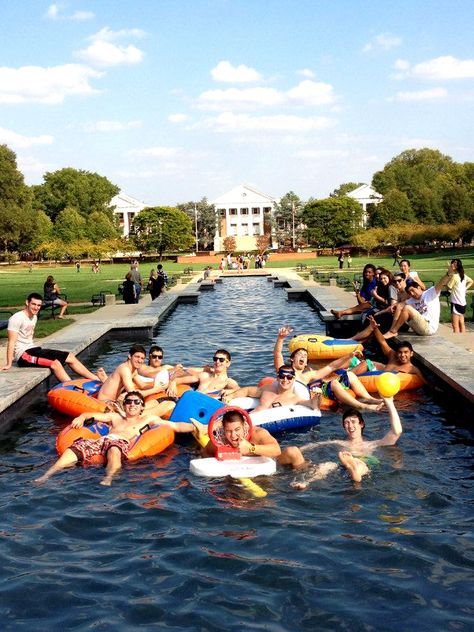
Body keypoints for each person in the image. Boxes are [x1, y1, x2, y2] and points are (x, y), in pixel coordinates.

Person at [34, 391, 195, 486]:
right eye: (129, 402)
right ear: (124, 405)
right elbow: (91, 414)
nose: (132, 404)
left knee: (114, 449)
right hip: (100, 441)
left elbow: (175, 426)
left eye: (136, 402)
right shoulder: (115, 417)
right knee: (74, 448)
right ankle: (47, 475)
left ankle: (109, 478)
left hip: (119, 443)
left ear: (141, 407)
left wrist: (195, 427)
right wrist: (81, 417)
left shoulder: (147, 420)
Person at [292, 396, 402, 487]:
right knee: (326, 465)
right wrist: (300, 449)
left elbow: (396, 432)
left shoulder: (373, 444)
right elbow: (315, 445)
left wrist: (390, 403)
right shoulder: (340, 443)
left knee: (360, 465)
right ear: (344, 427)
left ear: (361, 424)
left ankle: (353, 468)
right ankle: (305, 482)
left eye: (353, 422)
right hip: (342, 463)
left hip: (364, 461)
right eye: (346, 423)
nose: (350, 426)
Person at [273, 326, 383, 411]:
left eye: (305, 356)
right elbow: (278, 354)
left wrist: (349, 356)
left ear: (306, 363)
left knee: (350, 375)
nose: (303, 357)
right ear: (292, 359)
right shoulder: (286, 373)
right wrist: (280, 338)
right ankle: (362, 406)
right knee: (334, 383)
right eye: (300, 354)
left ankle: (370, 399)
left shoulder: (308, 375)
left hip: (318, 389)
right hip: (309, 396)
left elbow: (331, 366)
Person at [0, 293, 104, 383]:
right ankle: (72, 388)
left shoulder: (34, 317)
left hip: (34, 349)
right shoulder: (17, 318)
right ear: (27, 303)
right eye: (34, 304)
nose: (36, 307)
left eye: (39, 305)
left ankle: (97, 380)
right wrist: (9, 364)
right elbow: (11, 342)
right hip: (23, 355)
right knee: (55, 364)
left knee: (70, 357)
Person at [192, 408, 305, 470]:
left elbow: (276, 450)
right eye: (229, 431)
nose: (233, 435)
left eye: (237, 430)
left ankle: (302, 478)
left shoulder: (258, 434)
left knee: (293, 452)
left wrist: (251, 448)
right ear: (223, 429)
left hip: (270, 464)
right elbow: (205, 452)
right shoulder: (220, 440)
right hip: (239, 472)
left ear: (244, 426)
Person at [384, 266, 454, 339]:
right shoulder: (412, 300)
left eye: (413, 290)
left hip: (428, 327)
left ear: (419, 287)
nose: (412, 294)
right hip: (418, 328)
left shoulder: (430, 293)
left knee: (407, 308)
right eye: (409, 293)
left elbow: (441, 283)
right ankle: (392, 331)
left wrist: (448, 274)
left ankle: (393, 331)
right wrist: (392, 307)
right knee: (400, 307)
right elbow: (399, 306)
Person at [350, 316, 426, 383]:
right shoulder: (393, 356)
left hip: (383, 382)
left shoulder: (413, 369)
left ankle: (345, 377)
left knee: (365, 363)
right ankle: (344, 376)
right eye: (400, 352)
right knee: (355, 359)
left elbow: (425, 383)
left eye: (406, 352)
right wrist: (375, 328)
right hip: (374, 375)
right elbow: (382, 341)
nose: (402, 355)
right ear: (397, 353)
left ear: (411, 353)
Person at [97, 345, 171, 411]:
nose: (140, 360)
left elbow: (142, 385)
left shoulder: (133, 370)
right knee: (144, 408)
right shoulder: (125, 369)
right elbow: (133, 394)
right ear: (129, 356)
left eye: (142, 358)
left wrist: (159, 386)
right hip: (105, 402)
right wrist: (155, 390)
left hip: (114, 401)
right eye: (137, 357)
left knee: (150, 404)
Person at [223, 365, 322, 412]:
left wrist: (317, 396)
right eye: (282, 376)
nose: (285, 380)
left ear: (293, 379)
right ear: (277, 377)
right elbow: (247, 390)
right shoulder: (267, 389)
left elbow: (313, 405)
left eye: (289, 377)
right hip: (251, 419)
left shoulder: (295, 399)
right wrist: (232, 396)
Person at [167, 349, 239, 399]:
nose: (217, 361)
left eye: (221, 360)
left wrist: (230, 392)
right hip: (190, 400)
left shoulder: (227, 381)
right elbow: (179, 380)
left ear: (228, 363)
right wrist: (173, 383)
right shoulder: (204, 376)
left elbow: (239, 390)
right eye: (215, 359)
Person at [446, 258, 473, 333]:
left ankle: (457, 341)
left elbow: (448, 287)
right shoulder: (463, 275)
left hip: (456, 303)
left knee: (455, 325)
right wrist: (465, 288)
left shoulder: (454, 277)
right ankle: (463, 340)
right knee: (461, 323)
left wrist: (449, 273)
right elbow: (471, 281)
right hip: (462, 303)